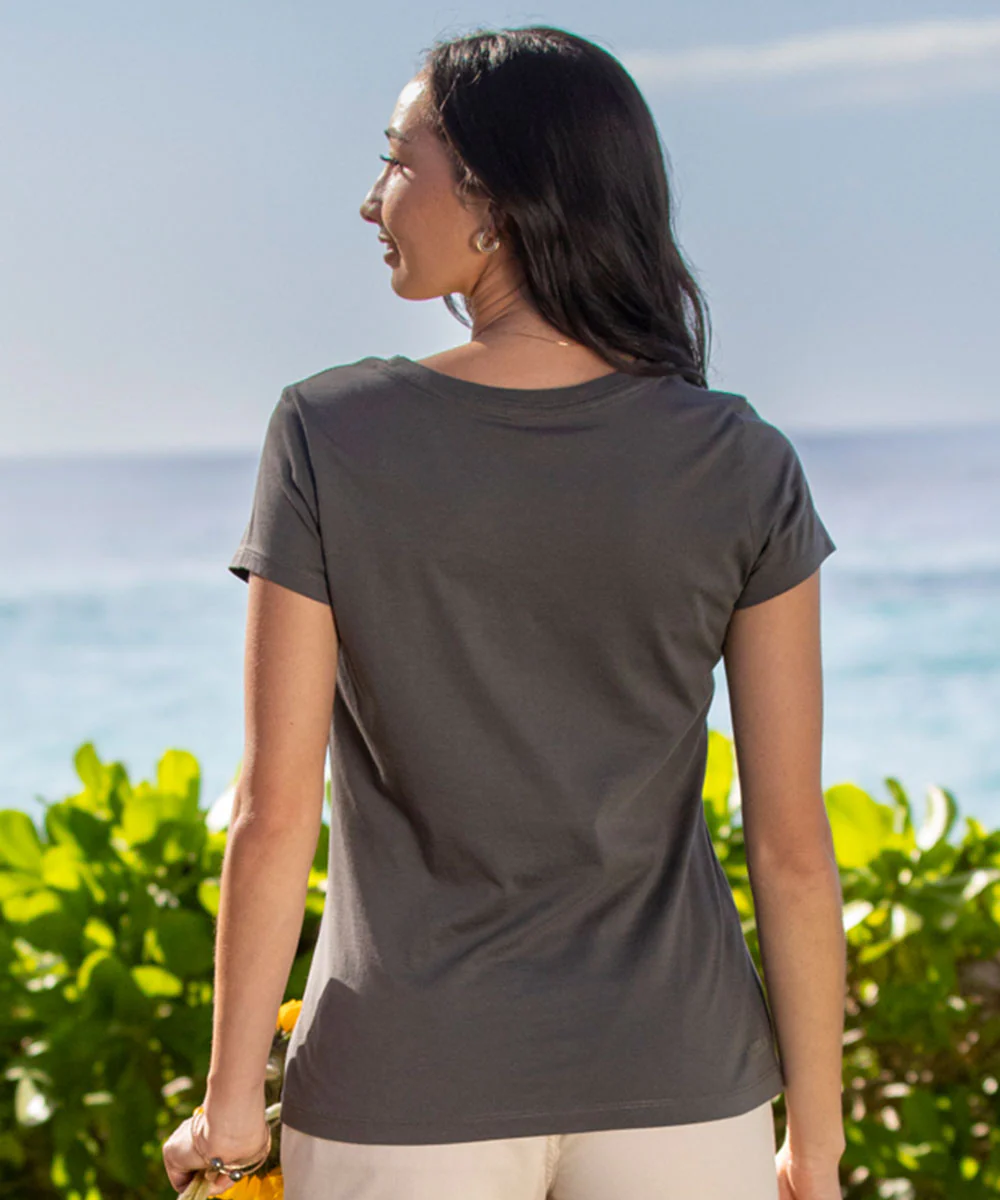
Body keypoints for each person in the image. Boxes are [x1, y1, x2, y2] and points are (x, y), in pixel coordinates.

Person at [166, 23, 847, 1200]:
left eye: (397, 159)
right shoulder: (740, 461)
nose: (373, 199)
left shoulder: (330, 435)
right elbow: (789, 846)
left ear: (494, 196)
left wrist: (231, 1113)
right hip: (681, 1084)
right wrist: (817, 1146)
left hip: (402, 1087)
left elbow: (276, 813)